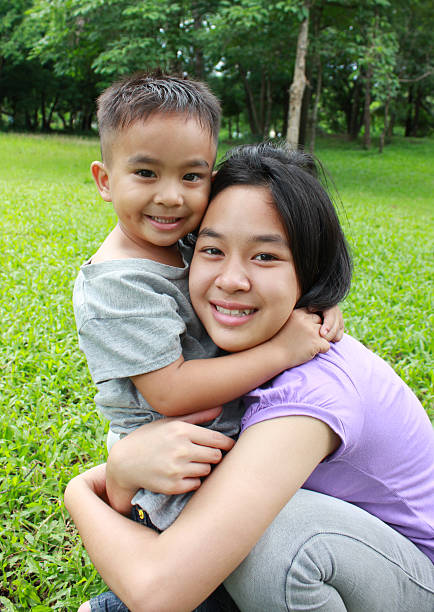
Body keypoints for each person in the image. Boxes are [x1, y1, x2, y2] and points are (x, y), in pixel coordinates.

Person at [66, 143, 434, 611]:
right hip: (353, 550)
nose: (231, 279)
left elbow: (159, 594)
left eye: (265, 257)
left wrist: (79, 492)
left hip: (414, 577)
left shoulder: (308, 392)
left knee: (279, 544)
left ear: (310, 267)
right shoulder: (235, 349)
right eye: (213, 249)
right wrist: (120, 472)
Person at [73, 73, 342, 610]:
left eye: (191, 176)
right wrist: (281, 350)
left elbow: (262, 261)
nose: (171, 197)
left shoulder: (186, 240)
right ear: (105, 179)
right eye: (145, 172)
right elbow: (169, 391)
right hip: (174, 475)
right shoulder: (119, 286)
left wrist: (316, 296)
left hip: (213, 457)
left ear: (210, 178)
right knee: (215, 584)